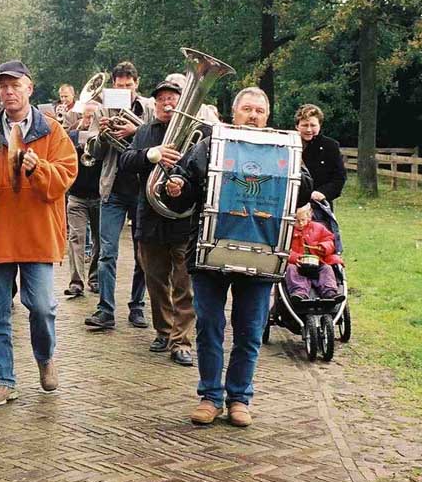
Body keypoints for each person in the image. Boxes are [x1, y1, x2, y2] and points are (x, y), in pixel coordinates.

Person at [164, 86, 313, 428]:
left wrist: (294, 159)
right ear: (235, 113)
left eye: (259, 111)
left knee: (249, 330)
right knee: (210, 327)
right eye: (247, 109)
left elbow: (303, 187)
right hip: (210, 253)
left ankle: (239, 398)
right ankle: (210, 397)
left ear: (267, 117)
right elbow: (182, 189)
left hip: (262, 257)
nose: (253, 116)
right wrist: (177, 186)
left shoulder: (282, 147)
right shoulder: (210, 144)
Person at [0, 59, 78, 407]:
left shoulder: (53, 131)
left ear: (29, 88)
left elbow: (65, 178)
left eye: (15, 85)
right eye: (3, 86)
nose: (8, 91)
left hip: (38, 234)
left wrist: (38, 168)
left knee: (41, 307)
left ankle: (45, 357)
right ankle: (3, 380)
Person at [118, 78, 196, 366]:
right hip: (150, 218)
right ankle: (164, 330)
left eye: (172, 98)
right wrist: (151, 155)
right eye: (161, 99)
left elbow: (204, 170)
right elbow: (125, 162)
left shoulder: (198, 133)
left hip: (183, 219)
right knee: (155, 279)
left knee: (184, 283)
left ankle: (182, 341)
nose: (167, 103)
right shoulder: (145, 132)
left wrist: (182, 181)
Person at [83, 61, 154, 331]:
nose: (124, 89)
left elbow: (160, 140)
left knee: (142, 254)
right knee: (107, 253)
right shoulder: (104, 107)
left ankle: (137, 306)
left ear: (137, 83)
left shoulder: (149, 108)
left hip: (142, 189)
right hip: (113, 188)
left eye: (128, 85)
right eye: (119, 85)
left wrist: (136, 131)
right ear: (114, 84)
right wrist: (102, 135)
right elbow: (93, 151)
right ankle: (105, 309)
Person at [65, 101, 102, 298]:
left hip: (99, 196)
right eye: (87, 116)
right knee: (76, 238)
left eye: (93, 116)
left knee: (99, 240)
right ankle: (76, 282)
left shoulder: (105, 138)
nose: (89, 120)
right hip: (77, 196)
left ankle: (94, 278)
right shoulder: (72, 136)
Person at [285, 205, 343, 301]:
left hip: (318, 262)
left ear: (309, 217)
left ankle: (329, 292)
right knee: (291, 269)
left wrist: (323, 247)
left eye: (303, 219)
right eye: (296, 220)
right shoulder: (287, 231)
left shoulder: (318, 228)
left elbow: (329, 240)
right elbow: (284, 249)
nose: (300, 223)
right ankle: (299, 292)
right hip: (297, 264)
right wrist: (294, 257)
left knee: (327, 269)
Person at [296, 103, 346, 207]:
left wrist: (323, 193)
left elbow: (339, 178)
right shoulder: (288, 145)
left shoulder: (331, 146)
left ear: (320, 125)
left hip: (319, 205)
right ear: (297, 126)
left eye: (313, 125)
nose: (309, 130)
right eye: (305, 125)